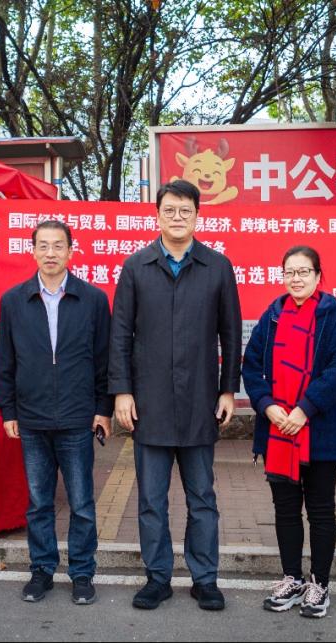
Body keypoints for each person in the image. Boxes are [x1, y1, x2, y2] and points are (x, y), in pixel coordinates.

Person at [109, 179, 242, 611]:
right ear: (158, 215)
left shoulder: (217, 267)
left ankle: (205, 578)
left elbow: (231, 334)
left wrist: (228, 390)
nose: (178, 217)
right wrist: (122, 391)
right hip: (149, 404)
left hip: (201, 401)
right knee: (151, 499)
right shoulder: (136, 266)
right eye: (170, 210)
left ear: (198, 216)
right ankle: (157, 577)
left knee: (202, 497)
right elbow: (120, 334)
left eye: (186, 210)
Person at [0, 220, 112, 606]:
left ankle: (82, 573)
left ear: (70, 251)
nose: (50, 253)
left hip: (78, 418)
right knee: (39, 503)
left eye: (58, 246)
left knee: (82, 503)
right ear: (32, 251)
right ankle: (41, 571)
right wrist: (8, 410)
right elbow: (6, 360)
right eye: (43, 246)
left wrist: (103, 409)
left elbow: (103, 360)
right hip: (31, 419)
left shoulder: (93, 299)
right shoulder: (14, 300)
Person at [242, 246, 336, 618]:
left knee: (321, 511)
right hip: (278, 431)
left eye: (304, 272)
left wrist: (305, 409)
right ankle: (291, 578)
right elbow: (251, 365)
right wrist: (267, 405)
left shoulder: (334, 316)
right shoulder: (272, 316)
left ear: (318, 276)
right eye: (290, 272)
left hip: (320, 430)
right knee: (286, 510)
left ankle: (319, 585)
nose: (296, 278)